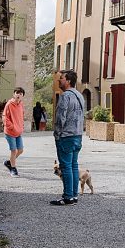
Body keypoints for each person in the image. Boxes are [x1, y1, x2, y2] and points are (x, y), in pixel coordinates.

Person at [50, 70, 85, 206]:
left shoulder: (65, 96)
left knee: (66, 166)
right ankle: (74, 195)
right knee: (74, 165)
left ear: (68, 81)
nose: (59, 81)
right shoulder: (79, 96)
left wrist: (57, 135)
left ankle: (68, 196)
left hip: (66, 135)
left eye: (61, 78)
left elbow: (60, 118)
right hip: (77, 135)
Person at [2, 87, 25, 176]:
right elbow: (5, 117)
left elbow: (21, 116)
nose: (19, 95)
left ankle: (9, 162)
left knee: (20, 150)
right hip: (10, 132)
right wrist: (12, 127)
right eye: (17, 93)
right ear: (14, 94)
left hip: (18, 132)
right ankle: (13, 169)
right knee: (14, 150)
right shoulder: (9, 104)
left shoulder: (21, 105)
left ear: (22, 96)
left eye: (21, 93)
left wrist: (21, 126)